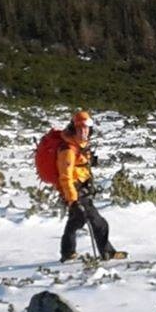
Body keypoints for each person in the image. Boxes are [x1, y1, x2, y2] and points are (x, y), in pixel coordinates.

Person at [57, 110, 126, 262]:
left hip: (82, 189)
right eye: (80, 128)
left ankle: (67, 253)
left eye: (86, 128)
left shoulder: (80, 144)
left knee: (76, 221)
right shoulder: (68, 150)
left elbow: (80, 165)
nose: (84, 131)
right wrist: (73, 200)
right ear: (74, 128)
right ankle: (107, 252)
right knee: (99, 223)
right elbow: (65, 177)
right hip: (76, 192)